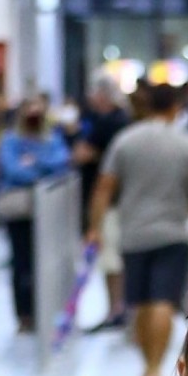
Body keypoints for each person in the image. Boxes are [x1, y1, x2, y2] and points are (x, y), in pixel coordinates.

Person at [89, 82, 188, 376]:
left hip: (133, 233)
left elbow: (105, 187)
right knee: (163, 301)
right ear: (175, 108)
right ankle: (153, 370)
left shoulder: (125, 141)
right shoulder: (185, 144)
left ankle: (148, 366)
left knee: (141, 303)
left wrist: (93, 228)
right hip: (173, 233)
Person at [0, 97, 71, 333]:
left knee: (47, 262)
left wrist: (34, 162)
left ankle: (45, 310)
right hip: (20, 212)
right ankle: (24, 314)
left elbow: (62, 162)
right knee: (21, 263)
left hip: (49, 211)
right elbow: (13, 170)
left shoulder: (52, 138)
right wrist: (41, 171)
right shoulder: (10, 140)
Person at [72, 73, 129, 331]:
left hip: (111, 201)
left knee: (111, 257)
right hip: (109, 199)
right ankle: (117, 307)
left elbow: (83, 154)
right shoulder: (100, 120)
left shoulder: (113, 123)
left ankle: (117, 308)